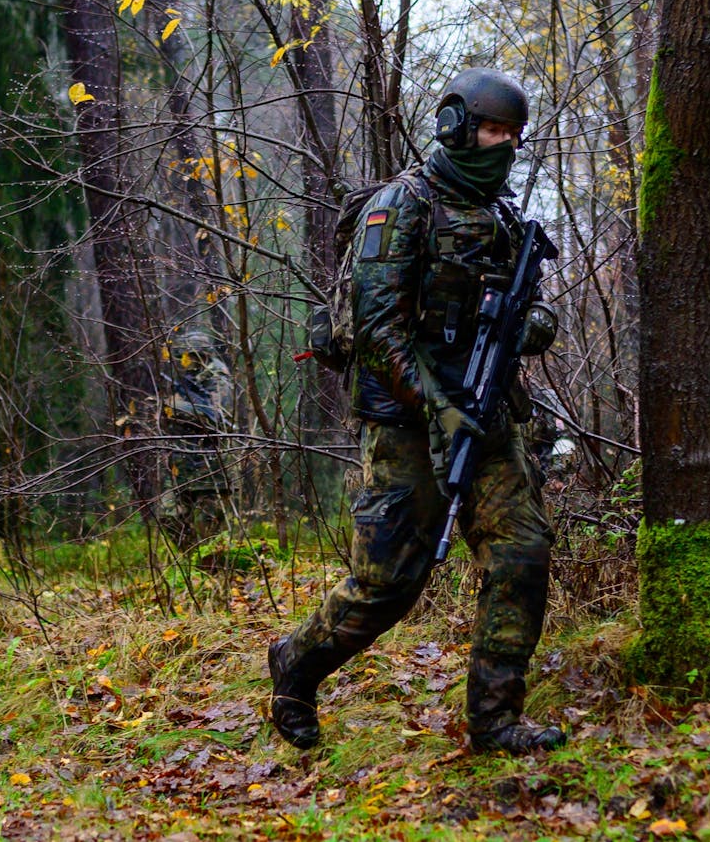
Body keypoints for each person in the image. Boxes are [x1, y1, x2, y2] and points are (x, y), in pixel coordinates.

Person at [268, 68, 565, 754]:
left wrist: (528, 325)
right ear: (457, 127)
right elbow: (377, 333)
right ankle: (296, 662)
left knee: (521, 551)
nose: (505, 147)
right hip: (407, 422)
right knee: (388, 585)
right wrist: (439, 408)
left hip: (485, 413)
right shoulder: (400, 207)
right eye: (494, 132)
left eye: (514, 138)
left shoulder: (502, 214)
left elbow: (531, 308)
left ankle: (494, 720)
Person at [159, 328, 235, 551]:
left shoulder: (218, 378)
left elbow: (216, 418)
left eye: (190, 356)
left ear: (202, 356)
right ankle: (193, 565)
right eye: (184, 356)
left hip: (211, 466)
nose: (186, 361)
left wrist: (176, 406)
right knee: (168, 515)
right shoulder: (188, 380)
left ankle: (212, 573)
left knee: (208, 530)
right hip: (183, 464)